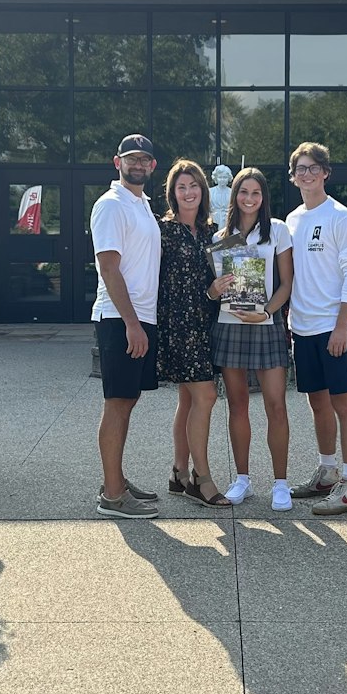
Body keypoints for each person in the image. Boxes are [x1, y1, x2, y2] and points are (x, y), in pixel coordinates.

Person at [285, 141, 347, 515]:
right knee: (316, 401)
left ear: (325, 173)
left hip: (334, 328)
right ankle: (327, 472)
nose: (307, 174)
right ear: (293, 176)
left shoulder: (340, 217)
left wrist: (341, 326)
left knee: (343, 402)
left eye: (313, 168)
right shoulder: (292, 220)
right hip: (301, 328)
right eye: (300, 169)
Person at [209, 167, 295, 510]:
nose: (249, 198)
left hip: (266, 323)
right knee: (237, 405)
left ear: (264, 197)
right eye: (243, 192)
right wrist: (213, 290)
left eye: (255, 193)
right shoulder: (221, 236)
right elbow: (216, 289)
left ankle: (281, 483)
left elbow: (287, 283)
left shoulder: (277, 231)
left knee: (276, 403)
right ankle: (242, 479)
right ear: (235, 196)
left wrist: (267, 313)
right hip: (229, 324)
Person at [90, 134, 163, 519]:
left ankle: (114, 478)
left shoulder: (142, 205)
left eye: (144, 160)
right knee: (117, 403)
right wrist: (132, 324)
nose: (138, 165)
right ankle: (113, 497)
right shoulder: (111, 205)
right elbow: (109, 267)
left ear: (152, 166)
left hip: (140, 318)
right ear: (116, 162)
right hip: (120, 318)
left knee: (127, 401)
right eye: (131, 158)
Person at [157, 159, 233, 508]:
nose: (188, 193)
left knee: (188, 399)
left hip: (209, 326)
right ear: (173, 193)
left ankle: (177, 472)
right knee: (205, 397)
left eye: (194, 186)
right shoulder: (163, 231)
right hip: (179, 326)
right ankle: (201, 479)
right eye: (181, 187)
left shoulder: (212, 232)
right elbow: (166, 287)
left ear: (203, 191)